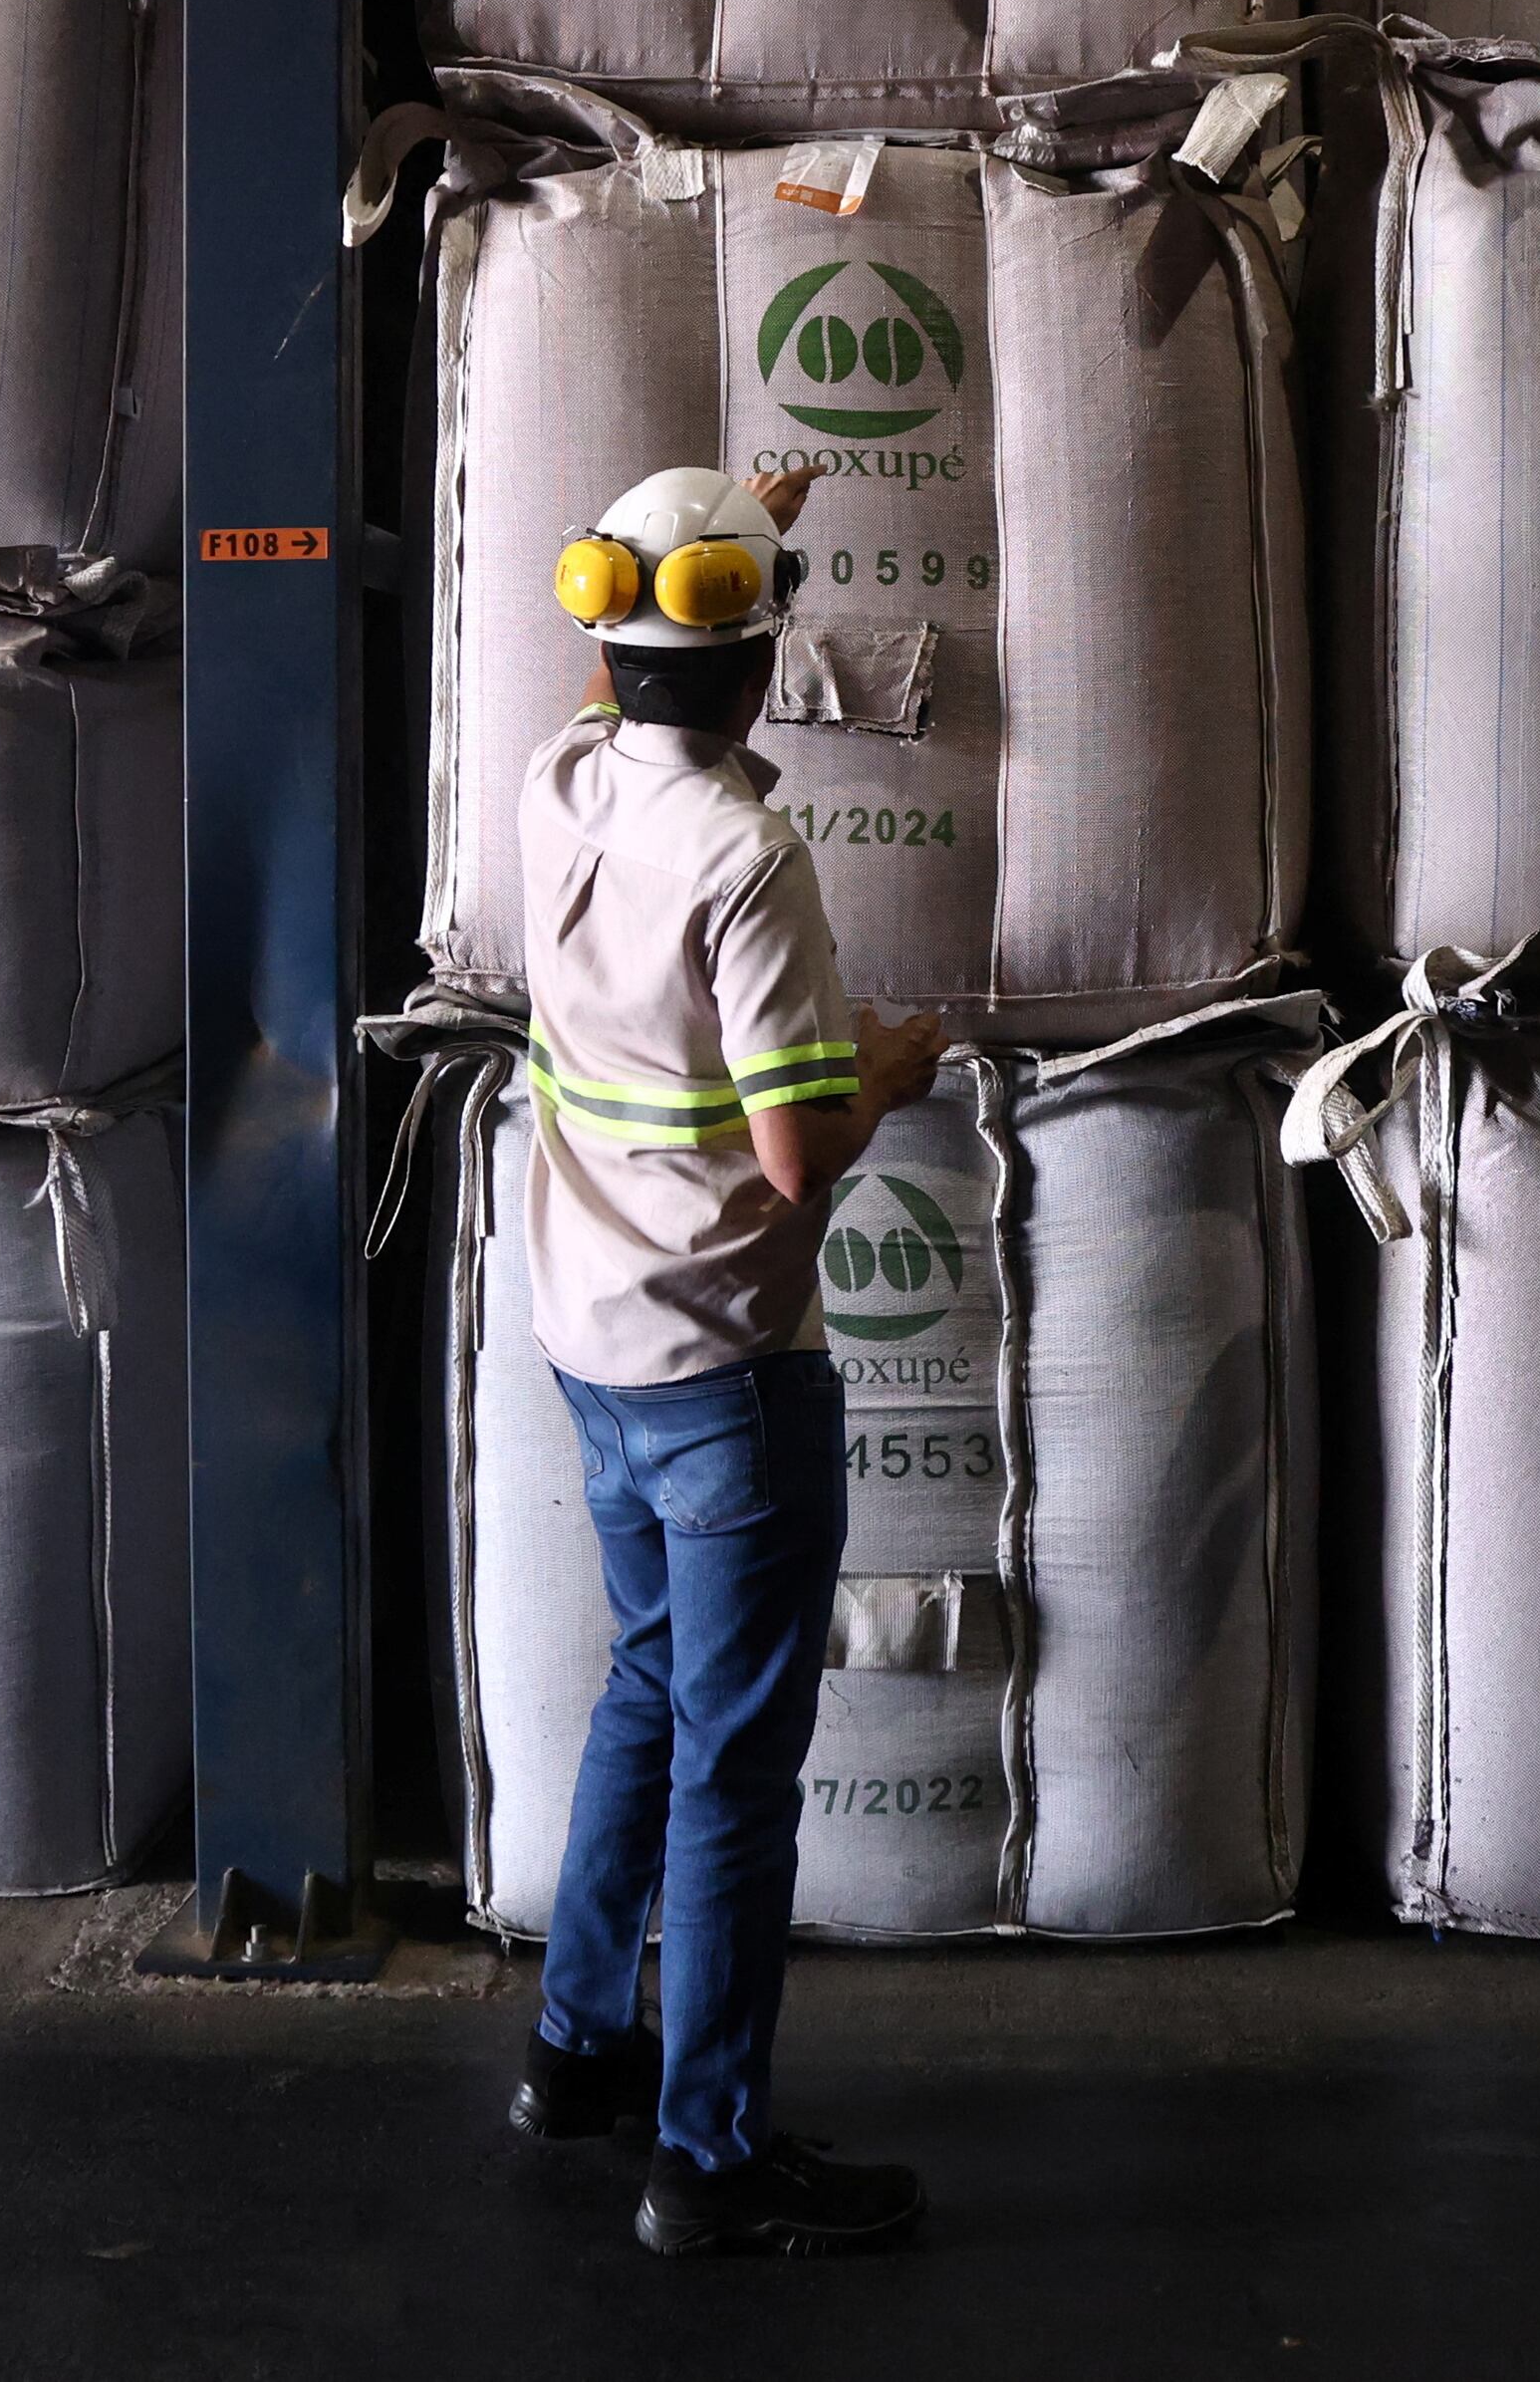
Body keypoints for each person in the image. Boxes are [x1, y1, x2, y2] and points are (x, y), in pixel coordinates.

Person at [505, 461, 945, 2257]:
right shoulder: (750, 855)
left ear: (606, 642)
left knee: (644, 1687)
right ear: (763, 669)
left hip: (589, 1346)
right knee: (736, 1765)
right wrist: (894, 1067)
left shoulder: (559, 786)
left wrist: (730, 533)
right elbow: (792, 1149)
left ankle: (575, 2050)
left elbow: (621, 678)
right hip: (728, 1373)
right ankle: (710, 2154)